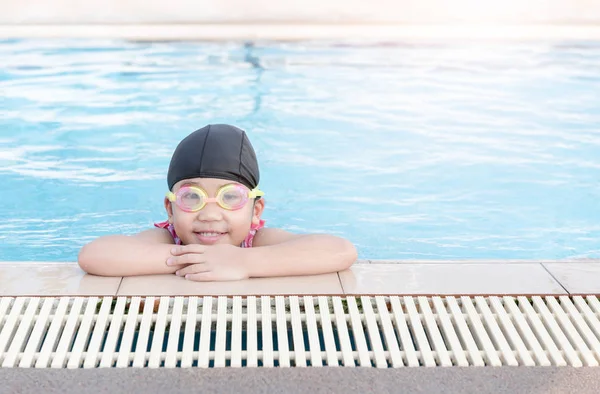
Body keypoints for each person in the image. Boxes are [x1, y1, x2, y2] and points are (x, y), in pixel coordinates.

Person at [78, 124, 357, 281]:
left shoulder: (256, 240)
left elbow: (339, 250)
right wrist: (195, 261)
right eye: (192, 197)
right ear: (170, 209)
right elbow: (94, 255)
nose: (210, 214)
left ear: (255, 210)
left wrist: (243, 262)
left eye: (229, 197)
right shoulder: (169, 239)